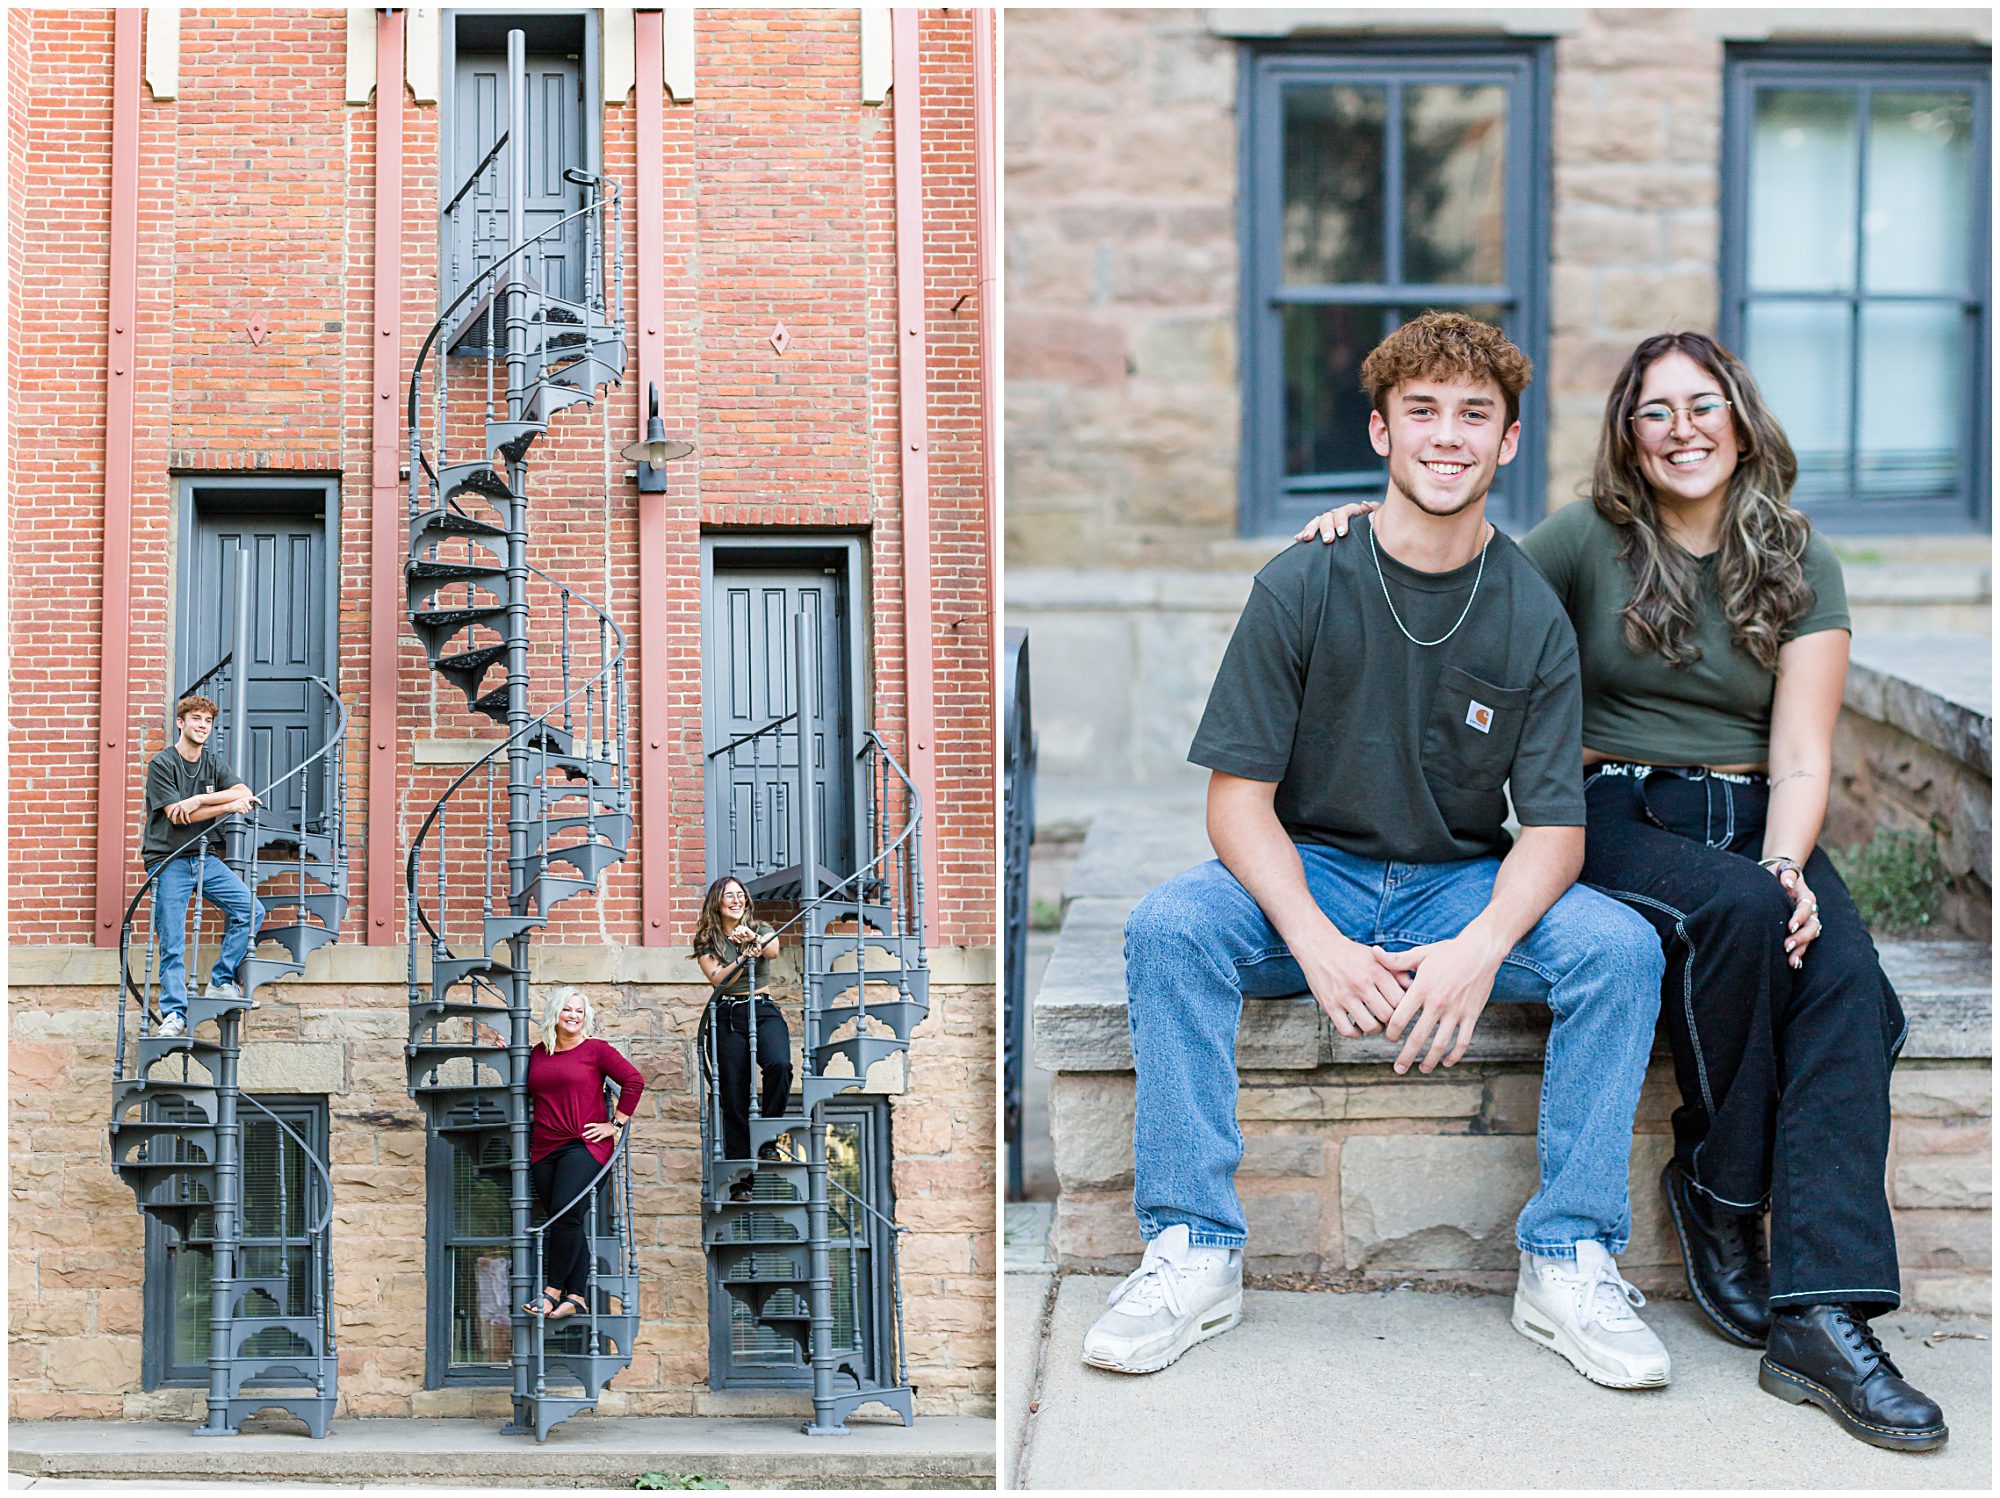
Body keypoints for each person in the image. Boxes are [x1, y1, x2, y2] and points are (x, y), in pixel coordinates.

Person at [1297, 329, 1945, 1451]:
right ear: (1627, 435)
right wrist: (1363, 531)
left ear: (1738, 418)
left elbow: (1799, 755)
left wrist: (1787, 864)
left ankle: (1820, 1315)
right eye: (1654, 411)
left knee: (1846, 986)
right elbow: (1459, 556)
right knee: (1738, 916)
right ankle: (1722, 1182)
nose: (1681, 428)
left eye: (1703, 405)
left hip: (1755, 818)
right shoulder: (1586, 540)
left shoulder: (1801, 558)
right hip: (1615, 813)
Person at [1084, 312, 1670, 1390]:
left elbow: (1553, 827)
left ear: (1503, 443)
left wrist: (1482, 944)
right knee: (1169, 928)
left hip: (1458, 881)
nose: (1445, 436)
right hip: (1308, 871)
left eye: (1472, 416)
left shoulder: (1529, 611)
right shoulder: (1301, 582)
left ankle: (1566, 1256)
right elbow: (1235, 804)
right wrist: (1311, 937)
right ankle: (1193, 1249)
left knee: (1620, 951)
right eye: (1421, 412)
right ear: (1379, 434)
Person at [141, 693, 267, 1039]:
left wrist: (199, 797)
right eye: (196, 719)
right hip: (168, 861)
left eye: (208, 721)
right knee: (171, 940)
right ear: (181, 723)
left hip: (203, 857)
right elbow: (178, 817)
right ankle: (173, 1014)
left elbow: (243, 789)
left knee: (251, 910)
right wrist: (226, 805)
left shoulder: (212, 763)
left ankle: (221, 981)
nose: (203, 726)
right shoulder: (162, 765)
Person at [524, 985, 644, 1321]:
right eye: (567, 1009)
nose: (573, 1016)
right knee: (567, 1221)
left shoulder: (596, 1050)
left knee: (563, 1215)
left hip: (585, 1144)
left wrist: (614, 1125)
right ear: (555, 1014)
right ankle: (577, 1296)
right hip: (545, 1148)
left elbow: (634, 1081)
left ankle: (551, 1291)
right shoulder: (537, 1053)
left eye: (579, 1010)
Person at [693, 876, 795, 1194]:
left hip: (762, 1009)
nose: (736, 900)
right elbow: (718, 979)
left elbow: (774, 951)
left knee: (780, 1065)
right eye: (729, 896)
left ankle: (767, 1139)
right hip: (727, 1015)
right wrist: (741, 957)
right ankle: (741, 1180)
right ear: (717, 903)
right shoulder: (707, 942)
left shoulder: (760, 927)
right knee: (734, 1095)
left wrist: (754, 940)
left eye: (741, 895)